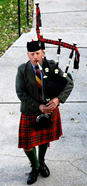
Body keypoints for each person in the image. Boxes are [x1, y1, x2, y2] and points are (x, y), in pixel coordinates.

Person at [16, 40, 74, 185]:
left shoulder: (52, 66)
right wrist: (38, 107)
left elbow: (69, 83)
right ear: (28, 55)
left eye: (38, 53)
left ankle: (41, 163)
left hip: (49, 109)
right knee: (27, 145)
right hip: (30, 110)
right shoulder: (22, 70)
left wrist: (57, 100)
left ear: (43, 53)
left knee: (44, 139)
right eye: (32, 54)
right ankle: (35, 167)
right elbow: (20, 92)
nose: (35, 57)